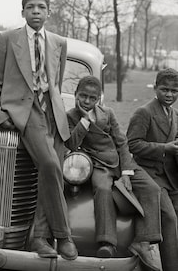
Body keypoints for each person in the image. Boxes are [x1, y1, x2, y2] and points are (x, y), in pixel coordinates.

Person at [0, 0, 78, 260]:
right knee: (50, 165)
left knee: (50, 174)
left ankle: (39, 237)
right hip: (27, 111)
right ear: (22, 11)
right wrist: (0, 116)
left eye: (41, 7)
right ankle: (63, 235)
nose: (36, 11)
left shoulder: (59, 41)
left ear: (48, 12)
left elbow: (56, 83)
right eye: (31, 7)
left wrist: (57, 109)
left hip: (54, 115)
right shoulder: (7, 39)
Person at [65, 76, 161, 270]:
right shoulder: (70, 116)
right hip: (98, 163)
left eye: (92, 98)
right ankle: (107, 241)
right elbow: (71, 144)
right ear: (75, 95)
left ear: (98, 99)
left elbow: (122, 142)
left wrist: (126, 172)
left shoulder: (107, 113)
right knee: (102, 188)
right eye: (83, 96)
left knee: (152, 188)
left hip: (120, 162)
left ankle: (143, 241)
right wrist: (84, 121)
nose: (86, 101)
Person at [127, 68, 178, 271]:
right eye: (164, 89)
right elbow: (132, 144)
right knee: (169, 218)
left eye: (174, 91)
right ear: (155, 88)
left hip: (171, 176)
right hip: (148, 174)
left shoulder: (174, 114)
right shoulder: (144, 112)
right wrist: (164, 148)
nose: (169, 95)